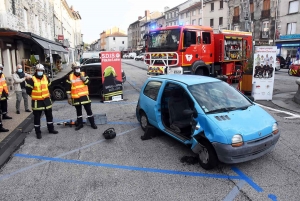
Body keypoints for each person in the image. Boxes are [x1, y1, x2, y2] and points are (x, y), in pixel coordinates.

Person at [26, 64, 58, 139]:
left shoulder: (46, 78)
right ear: (36, 71)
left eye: (41, 70)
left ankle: (51, 129)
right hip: (37, 102)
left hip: (46, 100)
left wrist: (51, 94)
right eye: (38, 70)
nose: (40, 72)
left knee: (49, 116)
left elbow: (50, 87)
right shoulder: (32, 79)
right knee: (37, 118)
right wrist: (34, 96)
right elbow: (28, 90)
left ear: (43, 71)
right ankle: (38, 132)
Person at [65, 62, 97, 130]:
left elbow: (89, 82)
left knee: (89, 111)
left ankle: (92, 124)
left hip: (84, 96)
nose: (78, 69)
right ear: (73, 69)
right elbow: (67, 88)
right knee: (79, 112)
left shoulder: (84, 74)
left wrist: (84, 79)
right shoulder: (70, 76)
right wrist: (69, 97)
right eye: (76, 68)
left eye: (78, 68)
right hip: (76, 97)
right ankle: (80, 124)